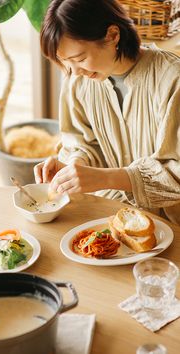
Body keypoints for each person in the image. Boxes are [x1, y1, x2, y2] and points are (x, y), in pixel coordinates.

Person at [34, 0, 180, 225]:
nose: (75, 71)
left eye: (80, 59)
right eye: (66, 63)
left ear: (113, 35)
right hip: (116, 216)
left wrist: (109, 177)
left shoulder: (172, 79)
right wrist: (74, 167)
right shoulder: (78, 83)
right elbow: (83, 143)